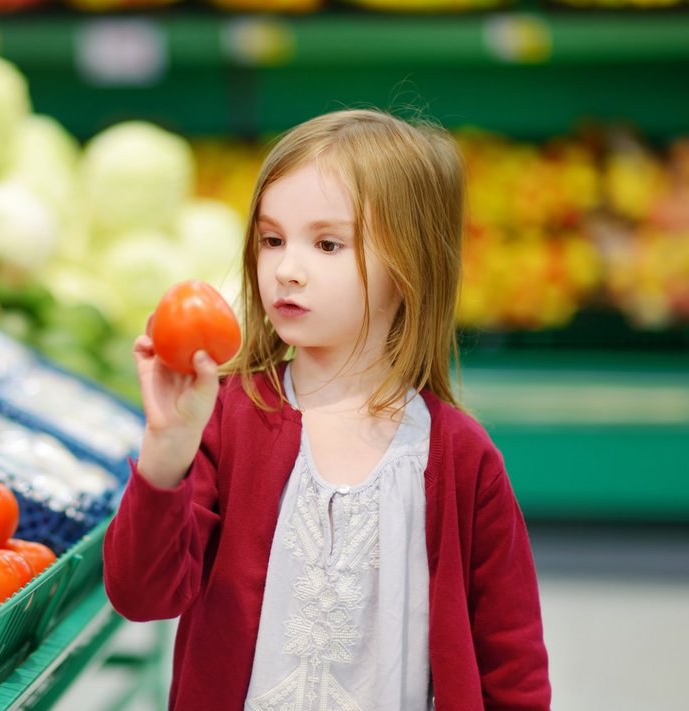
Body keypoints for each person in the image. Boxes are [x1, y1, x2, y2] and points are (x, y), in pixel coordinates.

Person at [102, 108, 550, 710]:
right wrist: (165, 450)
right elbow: (141, 595)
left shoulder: (458, 456)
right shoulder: (232, 418)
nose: (287, 269)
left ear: (410, 265)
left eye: (327, 243)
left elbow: (511, 658)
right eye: (271, 239)